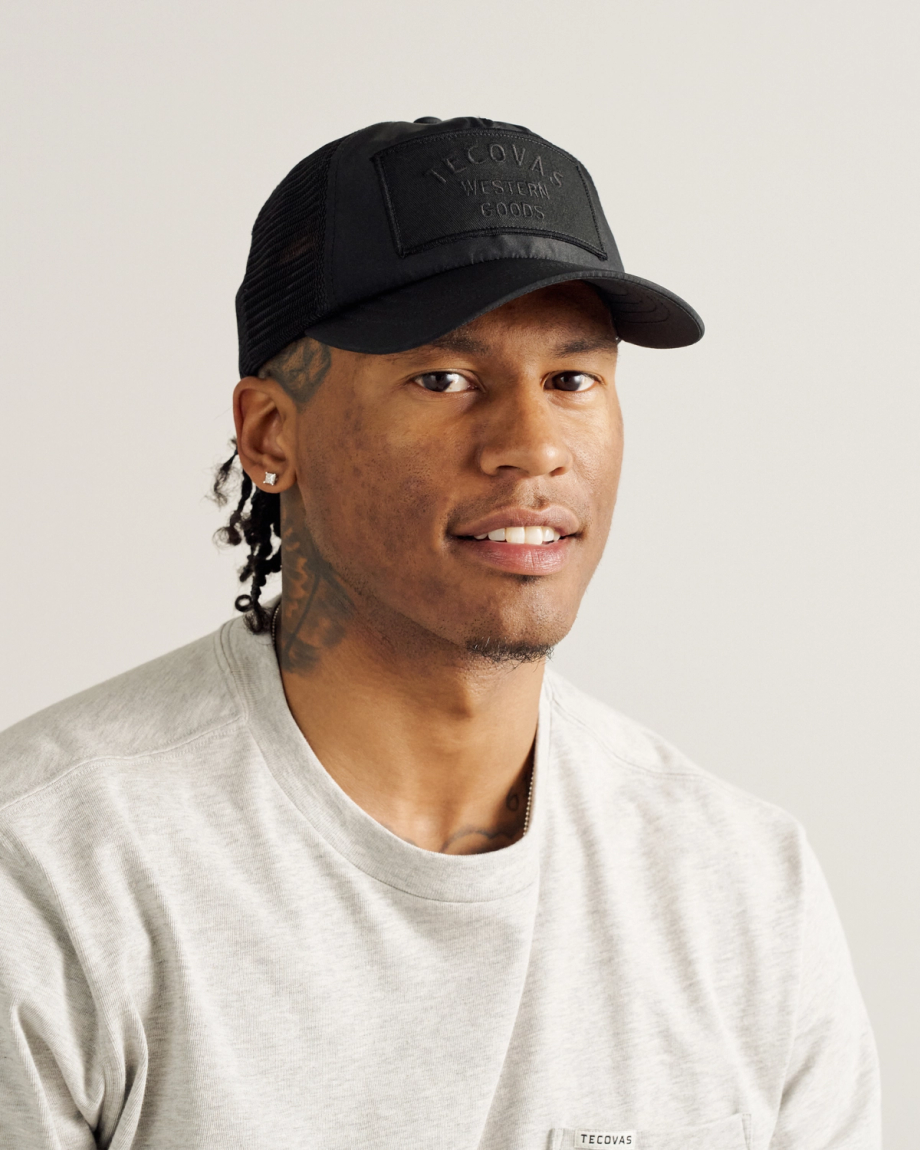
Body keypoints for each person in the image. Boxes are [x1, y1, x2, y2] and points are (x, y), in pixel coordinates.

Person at [0, 116, 879, 1149]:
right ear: (270, 433)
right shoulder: (55, 867)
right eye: (442, 379)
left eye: (571, 380)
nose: (531, 448)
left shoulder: (738, 888)